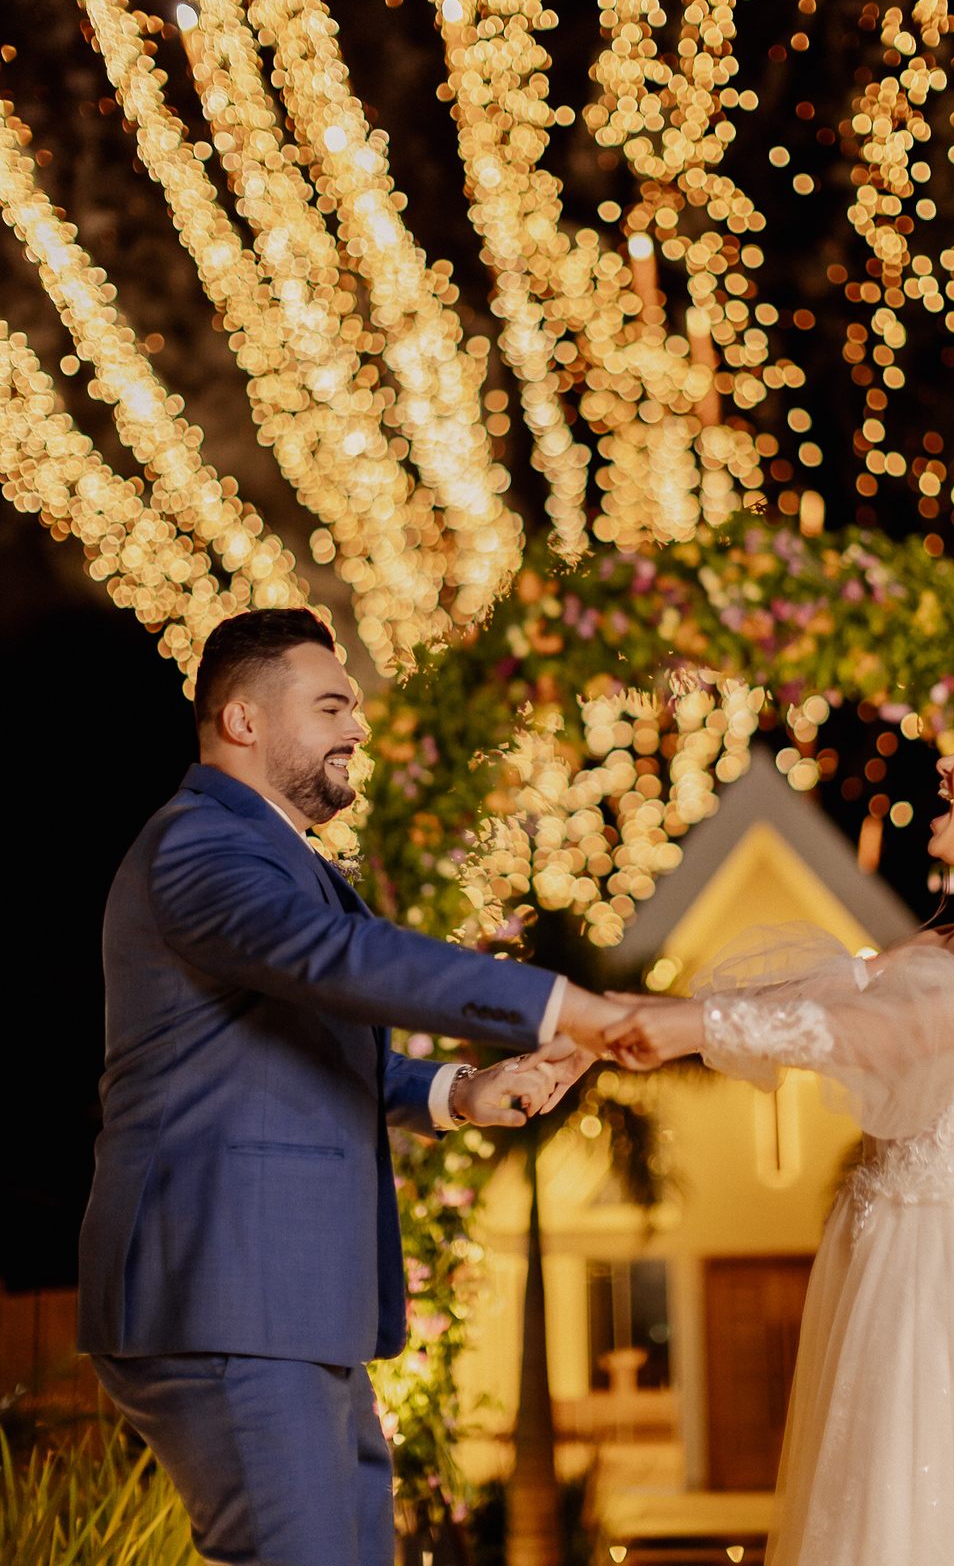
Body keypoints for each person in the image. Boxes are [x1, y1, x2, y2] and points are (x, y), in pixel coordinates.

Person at [563, 695, 954, 1564]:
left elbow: (903, 1033)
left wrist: (694, 1031)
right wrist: (593, 1032)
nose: (946, 765)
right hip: (880, 1253)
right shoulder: (941, 944)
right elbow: (801, 1000)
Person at [79, 608, 604, 1566]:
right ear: (242, 721)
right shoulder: (200, 845)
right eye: (331, 707)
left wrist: (457, 1093)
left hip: (294, 1303)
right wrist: (558, 1006)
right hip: (229, 1292)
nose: (358, 729)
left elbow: (289, 1048)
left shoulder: (277, 860)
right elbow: (338, 959)